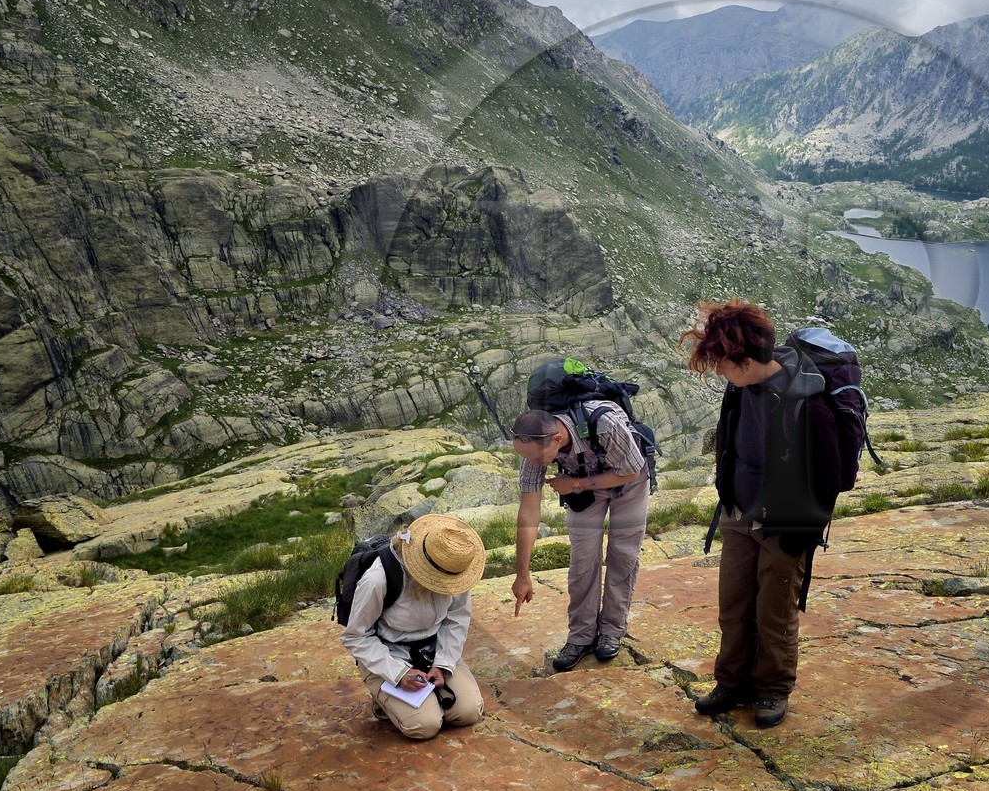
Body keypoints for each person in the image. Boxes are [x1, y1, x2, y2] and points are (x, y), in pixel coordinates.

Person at [681, 300, 843, 729]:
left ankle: (772, 690)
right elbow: (729, 442)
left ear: (748, 362)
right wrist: (727, 493)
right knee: (733, 606)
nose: (720, 372)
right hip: (739, 512)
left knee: (774, 612)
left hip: (786, 524)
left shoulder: (807, 402)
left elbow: (831, 477)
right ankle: (732, 683)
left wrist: (800, 531)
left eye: (723, 364)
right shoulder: (739, 389)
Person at [510, 399, 649, 671]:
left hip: (629, 482)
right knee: (582, 560)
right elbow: (528, 513)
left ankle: (612, 630)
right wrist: (522, 574)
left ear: (556, 439)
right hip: (583, 484)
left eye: (538, 458)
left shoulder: (605, 424)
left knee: (622, 555)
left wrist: (574, 483)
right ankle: (581, 636)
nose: (534, 464)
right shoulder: (534, 451)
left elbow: (631, 470)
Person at [339, 513, 487, 740]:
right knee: (424, 725)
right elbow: (356, 636)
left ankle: (421, 702)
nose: (448, 586)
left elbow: (456, 618)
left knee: (468, 712)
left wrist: (443, 665)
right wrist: (398, 674)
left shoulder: (455, 568)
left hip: (433, 649)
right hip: (389, 654)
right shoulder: (378, 579)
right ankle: (384, 700)